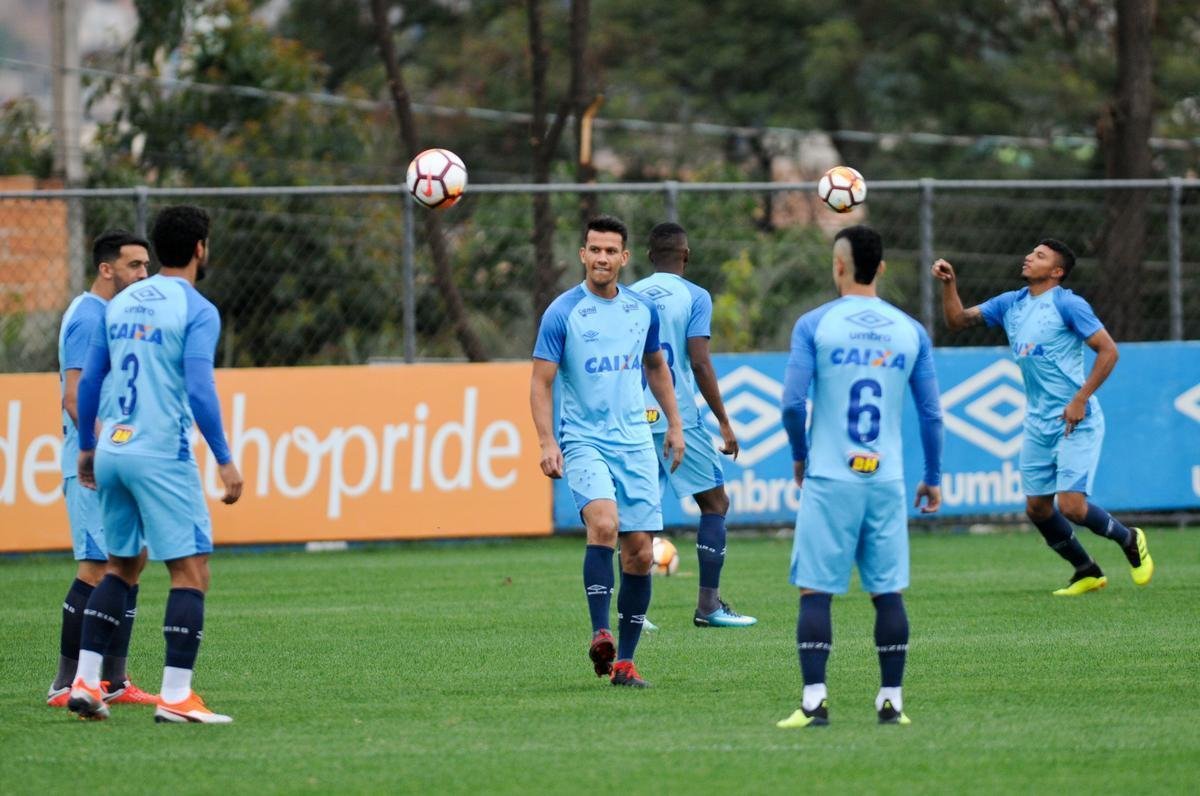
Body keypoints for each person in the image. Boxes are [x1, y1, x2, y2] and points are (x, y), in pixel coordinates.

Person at [69, 205, 244, 723]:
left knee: (121, 565)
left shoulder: (120, 305)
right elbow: (198, 387)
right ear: (199, 249)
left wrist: (87, 446)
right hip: (159, 452)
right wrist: (224, 458)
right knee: (191, 571)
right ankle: (176, 696)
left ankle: (84, 680)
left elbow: (92, 379)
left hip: (114, 450)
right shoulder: (196, 308)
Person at [777, 225, 943, 729]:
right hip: (886, 480)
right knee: (887, 592)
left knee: (815, 590)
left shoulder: (815, 324)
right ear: (883, 268)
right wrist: (932, 475)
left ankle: (814, 702)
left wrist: (801, 457)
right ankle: (891, 700)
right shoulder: (910, 330)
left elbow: (791, 402)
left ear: (839, 266)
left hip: (830, 477)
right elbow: (932, 414)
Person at [931, 240, 1153, 595]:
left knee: (1071, 506)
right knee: (1037, 508)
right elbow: (957, 321)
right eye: (1031, 253)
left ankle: (1129, 539)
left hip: (1075, 419)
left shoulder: (1068, 304)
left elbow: (1109, 351)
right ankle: (1086, 570)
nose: (1029, 257)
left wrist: (1081, 398)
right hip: (1038, 421)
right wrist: (949, 285)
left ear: (1056, 271)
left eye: (1040, 256)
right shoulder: (1011, 303)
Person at [530, 215, 685, 688]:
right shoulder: (562, 312)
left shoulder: (642, 310)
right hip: (583, 439)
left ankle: (625, 664)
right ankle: (601, 631)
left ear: (624, 257)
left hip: (636, 441)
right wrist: (546, 440)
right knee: (604, 524)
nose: (601, 258)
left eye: (609, 251)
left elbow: (656, 366)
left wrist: (675, 424)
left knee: (639, 553)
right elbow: (540, 381)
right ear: (582, 255)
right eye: (593, 249)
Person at [47, 230, 156, 709]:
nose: (143, 275)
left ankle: (112, 680)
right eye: (134, 266)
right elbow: (74, 395)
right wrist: (93, 450)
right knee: (96, 567)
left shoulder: (107, 316)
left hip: (112, 460)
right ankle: (65, 683)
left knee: (129, 561)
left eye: (146, 265)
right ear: (106, 269)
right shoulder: (89, 317)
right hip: (93, 464)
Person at [630, 222, 756, 628]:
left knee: (639, 512)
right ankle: (708, 606)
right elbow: (699, 361)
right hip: (677, 416)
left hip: (633, 415)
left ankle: (635, 613)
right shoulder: (695, 296)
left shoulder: (628, 296)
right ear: (686, 255)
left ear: (649, 257)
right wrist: (723, 420)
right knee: (715, 504)